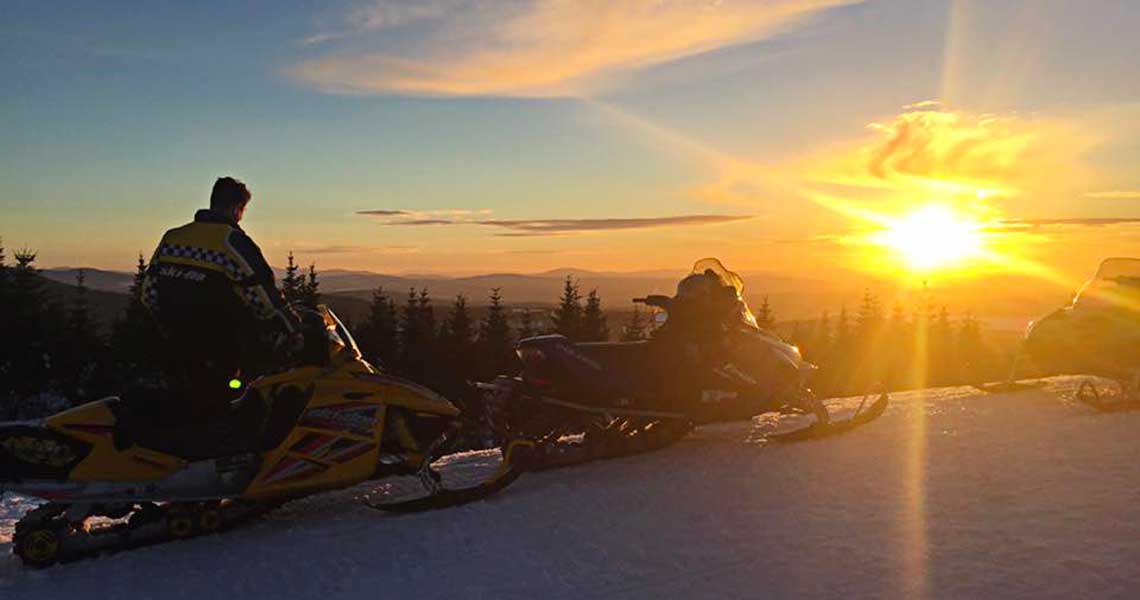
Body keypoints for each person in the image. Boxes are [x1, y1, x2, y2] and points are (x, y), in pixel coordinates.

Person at [141, 176, 301, 425]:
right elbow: (261, 293)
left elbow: (149, 293)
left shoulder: (172, 238)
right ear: (237, 208)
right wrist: (292, 327)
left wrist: (166, 326)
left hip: (175, 343)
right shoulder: (231, 241)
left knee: (182, 409)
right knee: (223, 412)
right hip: (220, 346)